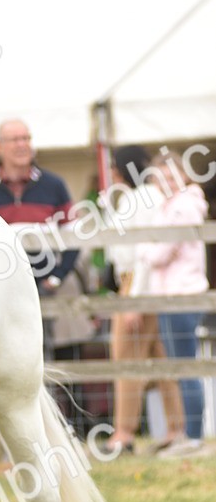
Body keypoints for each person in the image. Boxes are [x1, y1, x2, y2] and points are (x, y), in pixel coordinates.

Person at [99, 145, 185, 456]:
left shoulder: (145, 198)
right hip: (133, 282)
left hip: (137, 283)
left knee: (126, 358)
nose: (112, 171)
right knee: (159, 359)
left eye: (114, 166)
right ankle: (176, 428)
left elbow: (143, 251)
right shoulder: (135, 198)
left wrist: (134, 299)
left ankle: (124, 432)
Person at [131, 151, 209, 457]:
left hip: (182, 296)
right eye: (157, 177)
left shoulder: (184, 207)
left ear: (183, 175)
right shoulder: (171, 206)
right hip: (169, 296)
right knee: (177, 367)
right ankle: (186, 434)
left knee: (185, 367)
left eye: (168, 175)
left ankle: (194, 436)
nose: (162, 182)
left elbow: (162, 252)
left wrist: (144, 250)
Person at [0, 120, 78, 293]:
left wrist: (57, 276)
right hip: (2, 289)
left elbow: (74, 231)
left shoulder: (54, 185)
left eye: (26, 138)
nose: (22, 144)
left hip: (44, 287)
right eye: (14, 139)